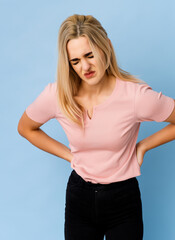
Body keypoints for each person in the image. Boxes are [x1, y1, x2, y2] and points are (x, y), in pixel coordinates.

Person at [17, 14, 175, 240]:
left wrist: (143, 146)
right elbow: (25, 127)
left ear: (106, 47)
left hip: (123, 199)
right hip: (79, 198)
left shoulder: (135, 97)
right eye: (76, 61)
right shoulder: (58, 95)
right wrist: (69, 155)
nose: (85, 67)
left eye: (90, 55)